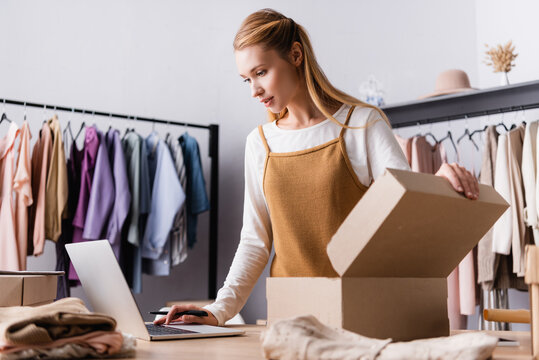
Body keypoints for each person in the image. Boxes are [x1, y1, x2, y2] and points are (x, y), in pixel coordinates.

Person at [154, 8, 479, 327]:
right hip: (289, 320)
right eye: (246, 79)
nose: (254, 90)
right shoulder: (260, 143)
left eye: (261, 72)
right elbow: (255, 241)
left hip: (359, 317)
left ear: (295, 55)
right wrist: (219, 310)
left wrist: (439, 184)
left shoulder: (361, 125)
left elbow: (405, 215)